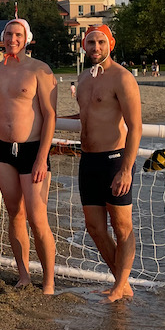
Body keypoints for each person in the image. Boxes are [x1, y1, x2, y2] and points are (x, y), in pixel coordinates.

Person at [0, 18, 57, 293]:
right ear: (3, 37)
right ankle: (23, 275)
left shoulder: (39, 71)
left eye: (18, 34)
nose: (13, 39)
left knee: (37, 217)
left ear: (27, 38)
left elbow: (50, 116)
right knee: (14, 213)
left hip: (32, 149)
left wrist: (42, 157)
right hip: (2, 148)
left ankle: (48, 281)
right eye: (9, 34)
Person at [72, 25, 141, 303]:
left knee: (122, 227)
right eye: (91, 42)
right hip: (88, 160)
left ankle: (120, 286)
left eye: (101, 42)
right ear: (84, 46)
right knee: (94, 226)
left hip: (114, 161)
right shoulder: (84, 78)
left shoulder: (122, 78)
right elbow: (85, 116)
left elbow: (135, 127)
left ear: (110, 44)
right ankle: (122, 284)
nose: (96, 47)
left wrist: (126, 168)